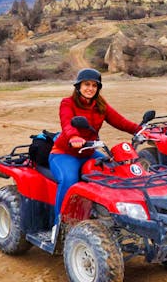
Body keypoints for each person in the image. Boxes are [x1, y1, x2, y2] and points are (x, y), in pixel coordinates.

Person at [49, 68, 140, 234]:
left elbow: (120, 121)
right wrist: (74, 137)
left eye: (94, 85)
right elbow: (67, 123)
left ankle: (112, 217)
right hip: (65, 153)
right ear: (78, 86)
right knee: (69, 180)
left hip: (89, 152)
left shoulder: (100, 105)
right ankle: (59, 225)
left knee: (115, 170)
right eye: (86, 84)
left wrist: (139, 130)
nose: (90, 88)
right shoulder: (67, 103)